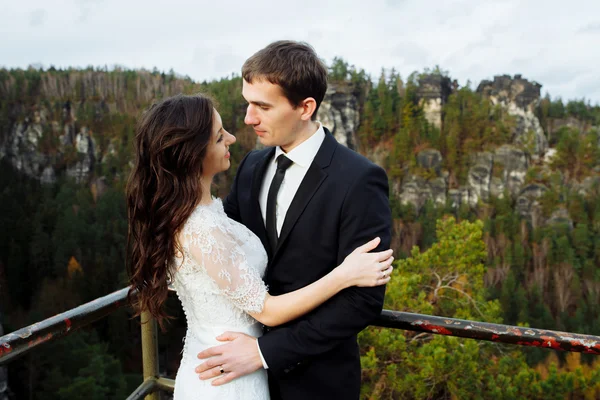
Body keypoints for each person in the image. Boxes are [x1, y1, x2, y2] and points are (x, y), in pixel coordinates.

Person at [125, 93, 394, 400]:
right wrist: (344, 275)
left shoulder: (209, 210)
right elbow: (265, 309)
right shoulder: (201, 225)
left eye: (263, 106)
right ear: (191, 154)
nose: (234, 136)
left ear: (305, 107)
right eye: (218, 137)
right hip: (227, 375)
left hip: (255, 369)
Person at [194, 41, 392, 400]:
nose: (249, 119)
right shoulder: (252, 167)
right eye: (247, 103)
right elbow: (227, 253)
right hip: (236, 376)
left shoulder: (360, 179)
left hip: (317, 382)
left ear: (305, 107)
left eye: (263, 107)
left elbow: (362, 302)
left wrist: (264, 353)